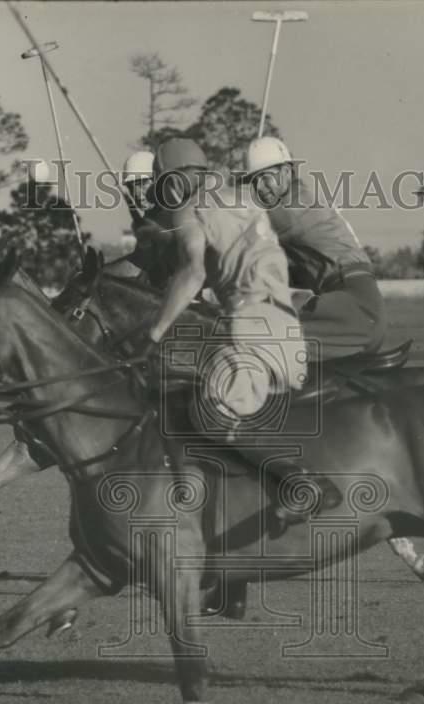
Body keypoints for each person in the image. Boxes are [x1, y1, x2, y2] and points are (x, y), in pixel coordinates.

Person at [140, 137, 341, 529]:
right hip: (283, 322)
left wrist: (155, 331)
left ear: (175, 180)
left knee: (209, 411)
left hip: (253, 323)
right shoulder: (240, 199)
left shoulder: (187, 207)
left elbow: (193, 272)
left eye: (163, 183)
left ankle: (300, 483)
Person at [243, 136, 386, 361]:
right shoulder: (297, 201)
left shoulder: (291, 210)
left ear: (287, 172)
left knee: (250, 340)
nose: (260, 187)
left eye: (266, 177)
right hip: (346, 308)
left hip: (354, 311)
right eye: (254, 180)